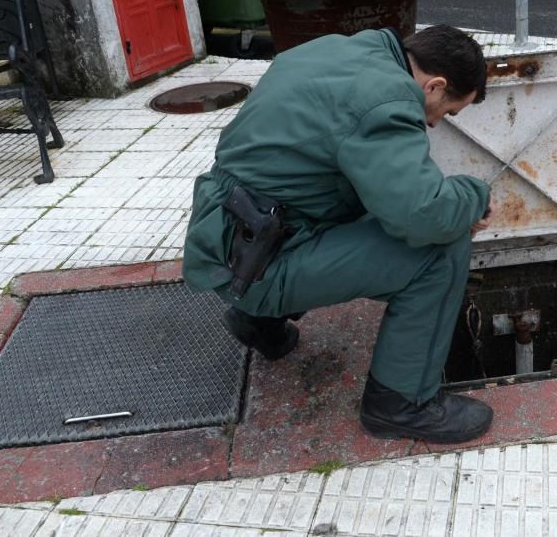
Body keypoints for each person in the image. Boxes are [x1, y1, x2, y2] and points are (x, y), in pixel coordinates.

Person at [182, 25, 494, 444]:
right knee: (441, 249)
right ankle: (401, 405)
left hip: (232, 238)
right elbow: (422, 216)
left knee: (373, 207)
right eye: (448, 111)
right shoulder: (386, 99)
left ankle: (258, 322)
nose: (435, 123)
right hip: (260, 261)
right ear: (435, 86)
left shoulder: (334, 51)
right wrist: (474, 196)